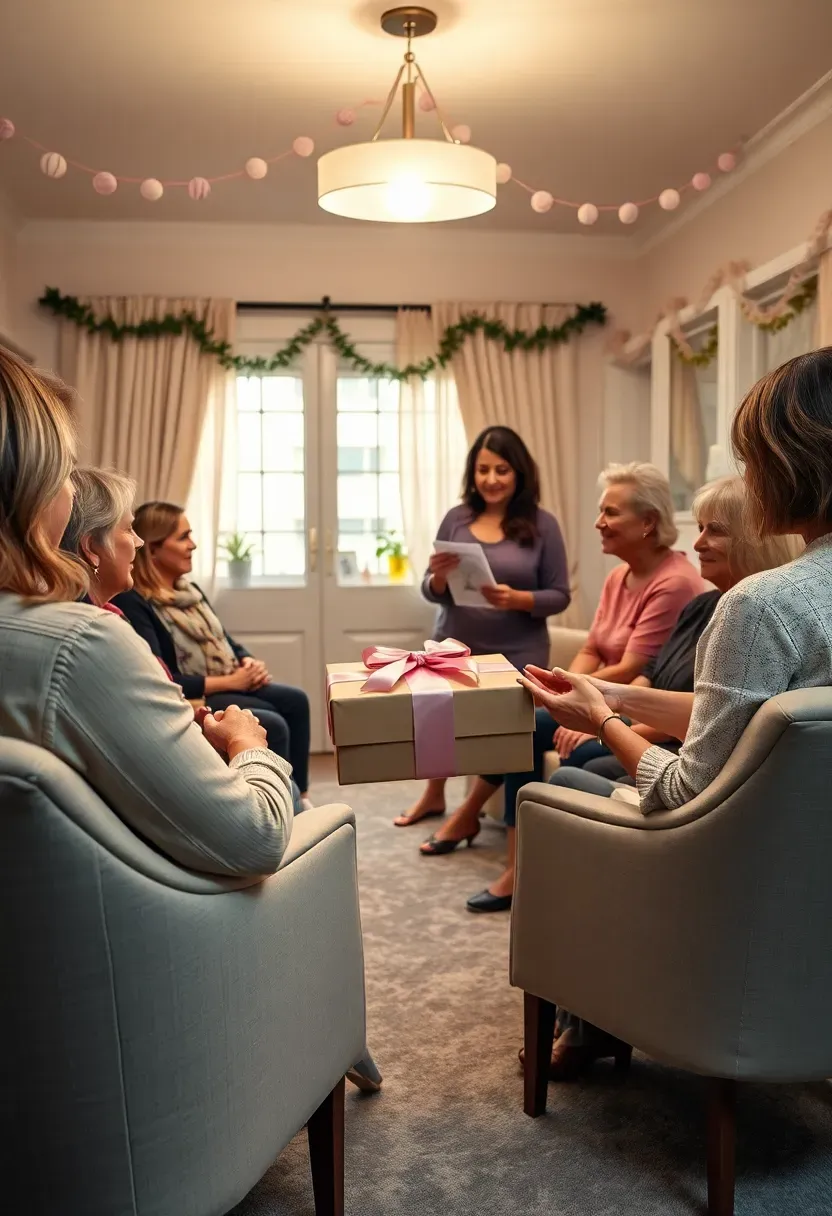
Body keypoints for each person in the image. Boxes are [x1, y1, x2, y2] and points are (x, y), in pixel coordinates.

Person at [520, 348, 832, 1079]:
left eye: (753, 462)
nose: (749, 481)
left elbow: (684, 792)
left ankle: (591, 1025)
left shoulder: (762, 604)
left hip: (739, 879)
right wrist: (614, 697)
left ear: (796, 463)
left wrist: (601, 724)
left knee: (563, 789)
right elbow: (758, 731)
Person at [0, 346, 295, 879]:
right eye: (66, 471)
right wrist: (249, 745)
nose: (73, 486)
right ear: (30, 487)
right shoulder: (84, 640)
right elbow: (256, 839)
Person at [422, 461, 705, 914]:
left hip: (634, 700)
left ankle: (512, 863)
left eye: (611, 513)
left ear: (648, 522)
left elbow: (635, 667)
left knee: (526, 725)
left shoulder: (675, 582)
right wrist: (565, 688)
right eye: (601, 511)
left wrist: (577, 700)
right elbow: (594, 647)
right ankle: (489, 833)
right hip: (604, 692)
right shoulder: (619, 575)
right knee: (524, 719)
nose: (599, 523)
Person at [62, 468, 306, 815]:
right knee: (281, 769)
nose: (139, 542)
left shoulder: (133, 607)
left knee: (292, 714)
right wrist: (236, 737)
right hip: (184, 742)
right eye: (129, 530)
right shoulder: (105, 627)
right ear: (91, 547)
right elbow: (152, 717)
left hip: (188, 721)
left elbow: (221, 642)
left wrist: (245, 662)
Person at [551, 474, 803, 795]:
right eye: (700, 529)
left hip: (690, 768)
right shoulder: (701, 605)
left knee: (570, 766)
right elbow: (650, 671)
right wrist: (602, 704)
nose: (696, 544)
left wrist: (607, 721)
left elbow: (709, 727)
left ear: (755, 540)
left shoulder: (745, 614)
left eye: (715, 531)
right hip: (667, 741)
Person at [395, 425, 571, 831]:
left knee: (504, 735)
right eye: (483, 469)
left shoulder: (543, 525)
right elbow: (431, 590)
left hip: (518, 650)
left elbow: (560, 595)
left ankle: (489, 817)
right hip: (454, 644)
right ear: (472, 473)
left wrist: (518, 599)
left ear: (520, 474)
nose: (491, 479)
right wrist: (438, 580)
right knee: (438, 724)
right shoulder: (456, 519)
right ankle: (434, 794)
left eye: (502, 470)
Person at [114, 502, 312, 805]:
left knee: (297, 701)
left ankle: (300, 796)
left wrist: (248, 661)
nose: (192, 545)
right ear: (152, 549)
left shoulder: (190, 591)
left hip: (232, 678)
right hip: (198, 693)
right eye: (183, 537)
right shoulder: (136, 602)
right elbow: (164, 676)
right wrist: (233, 682)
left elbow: (227, 640)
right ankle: (278, 804)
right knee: (273, 723)